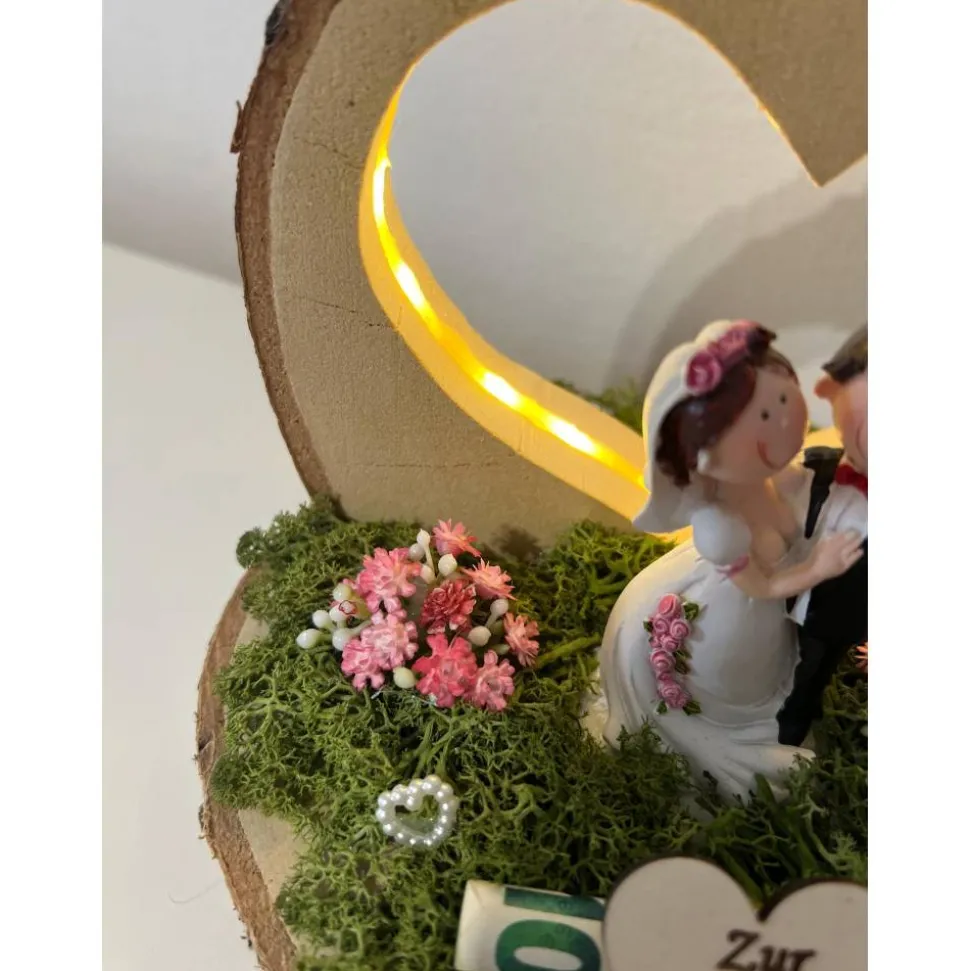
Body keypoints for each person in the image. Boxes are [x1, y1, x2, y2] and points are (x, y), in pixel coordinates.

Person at [589, 320, 862, 801]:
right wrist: (817, 568)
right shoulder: (720, 527)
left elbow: (803, 488)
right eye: (764, 416)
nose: (784, 423)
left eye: (785, 400)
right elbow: (762, 587)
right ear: (701, 453)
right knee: (742, 685)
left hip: (772, 612)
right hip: (736, 617)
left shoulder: (771, 478)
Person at [776, 325, 868, 746]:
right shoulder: (819, 468)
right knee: (787, 656)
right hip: (795, 592)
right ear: (830, 391)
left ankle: (798, 722)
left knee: (820, 666)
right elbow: (781, 498)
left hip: (849, 611)